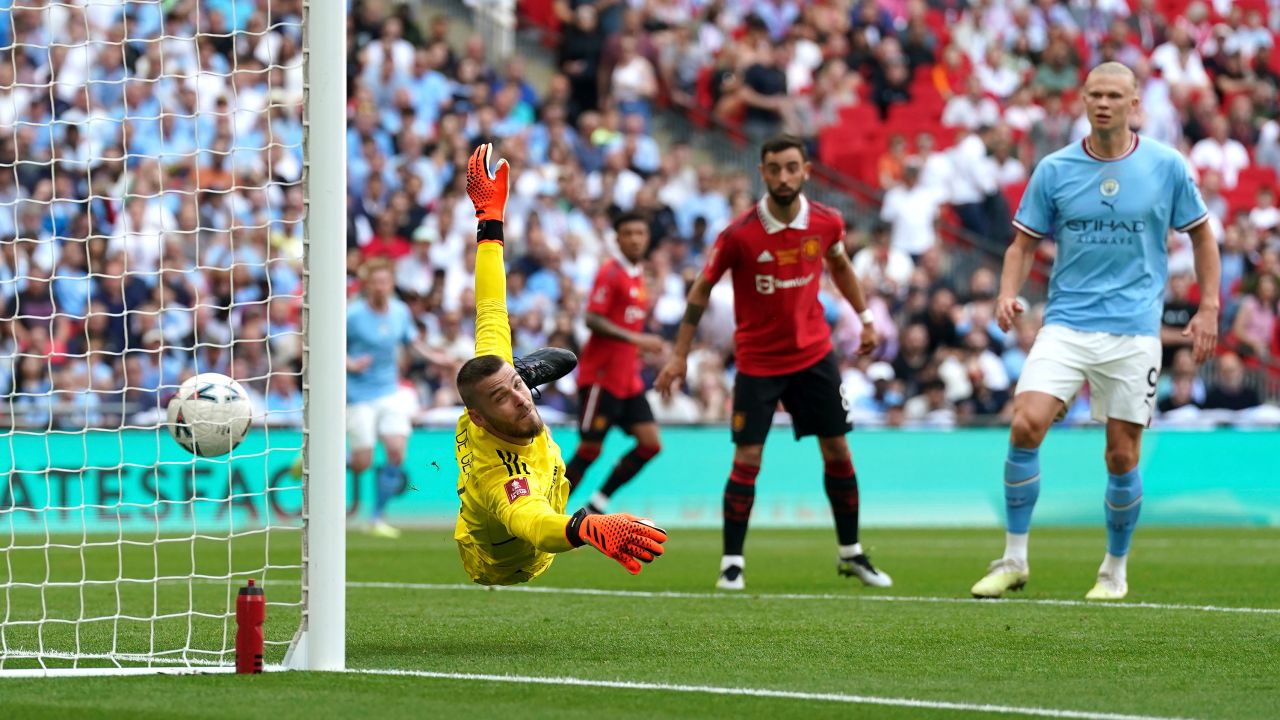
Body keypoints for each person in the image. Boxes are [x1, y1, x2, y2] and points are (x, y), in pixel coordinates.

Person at [970, 63, 1220, 601]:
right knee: (1025, 425)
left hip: (1133, 332)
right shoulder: (1055, 169)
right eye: (1094, 95)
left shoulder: (1166, 166)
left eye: (1114, 95)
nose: (1103, 103)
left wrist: (1209, 307)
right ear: (1082, 100)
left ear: (1134, 104)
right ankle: (1013, 559)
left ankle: (1113, 571)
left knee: (1121, 456)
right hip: (1066, 323)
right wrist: (1006, 291)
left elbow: (1202, 237)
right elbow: (1021, 245)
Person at [655, 134, 892, 591]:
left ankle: (851, 553)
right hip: (758, 364)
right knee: (748, 458)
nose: (783, 176)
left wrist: (864, 317)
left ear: (806, 171)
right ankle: (732, 563)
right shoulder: (739, 234)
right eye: (774, 169)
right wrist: (680, 354)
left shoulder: (826, 223)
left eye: (791, 167)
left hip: (814, 357)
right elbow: (701, 290)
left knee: (838, 451)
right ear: (762, 173)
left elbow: (840, 265)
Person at [453, 144, 667, 585]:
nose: (522, 400)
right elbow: (535, 524)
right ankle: (516, 380)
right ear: (478, 415)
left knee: (522, 357)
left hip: (516, 445)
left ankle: (520, 372)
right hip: (508, 565)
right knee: (573, 439)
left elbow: (490, 304)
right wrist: (585, 527)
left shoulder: (493, 376)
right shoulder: (502, 478)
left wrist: (489, 222)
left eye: (516, 387)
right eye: (504, 395)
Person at [565, 212, 666, 514]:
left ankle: (597, 504)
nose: (635, 239)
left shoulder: (637, 274)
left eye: (640, 233)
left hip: (627, 379)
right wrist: (637, 341)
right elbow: (592, 319)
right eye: (628, 233)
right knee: (590, 450)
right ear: (618, 238)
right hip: (601, 378)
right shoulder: (610, 273)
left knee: (650, 444)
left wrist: (641, 345)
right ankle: (544, 511)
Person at [346, 258, 418, 539]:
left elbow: (412, 342)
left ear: (391, 284)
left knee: (396, 450)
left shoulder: (400, 312)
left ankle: (376, 517)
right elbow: (330, 344)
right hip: (358, 395)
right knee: (362, 462)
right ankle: (308, 461)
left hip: (390, 390)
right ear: (367, 285)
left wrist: (441, 358)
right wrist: (350, 364)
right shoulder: (352, 316)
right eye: (375, 282)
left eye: (385, 282)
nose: (380, 287)